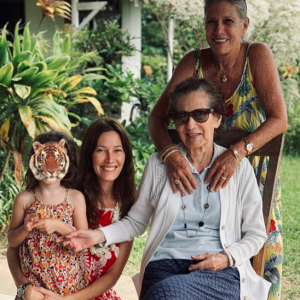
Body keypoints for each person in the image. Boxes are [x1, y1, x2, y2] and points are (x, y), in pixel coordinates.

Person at [57, 78, 271, 300]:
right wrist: (96, 236)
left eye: (200, 115)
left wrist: (227, 258)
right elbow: (136, 222)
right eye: (182, 116)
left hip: (218, 271)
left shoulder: (238, 168)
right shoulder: (158, 165)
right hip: (163, 266)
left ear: (217, 118)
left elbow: (256, 235)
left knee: (162, 294)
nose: (190, 125)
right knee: (164, 291)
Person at [147, 0, 287, 298]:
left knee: (256, 258)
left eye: (228, 21)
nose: (219, 29)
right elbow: (157, 118)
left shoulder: (256, 55)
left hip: (247, 175)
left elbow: (280, 119)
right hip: (198, 175)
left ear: (245, 25)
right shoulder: (192, 62)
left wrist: (236, 153)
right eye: (211, 21)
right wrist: (170, 154)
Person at [8, 118, 137, 300]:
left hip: (77, 294)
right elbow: (13, 246)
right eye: (100, 150)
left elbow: (112, 275)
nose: (110, 159)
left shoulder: (129, 210)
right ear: (89, 154)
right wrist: (24, 288)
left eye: (117, 150)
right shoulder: (64, 190)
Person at [7, 131, 89, 299]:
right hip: (33, 291)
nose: (51, 167)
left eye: (58, 159)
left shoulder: (75, 198)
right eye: (44, 159)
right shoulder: (24, 198)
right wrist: (25, 228)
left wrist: (58, 226)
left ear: (68, 163)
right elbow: (12, 242)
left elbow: (85, 239)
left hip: (68, 288)